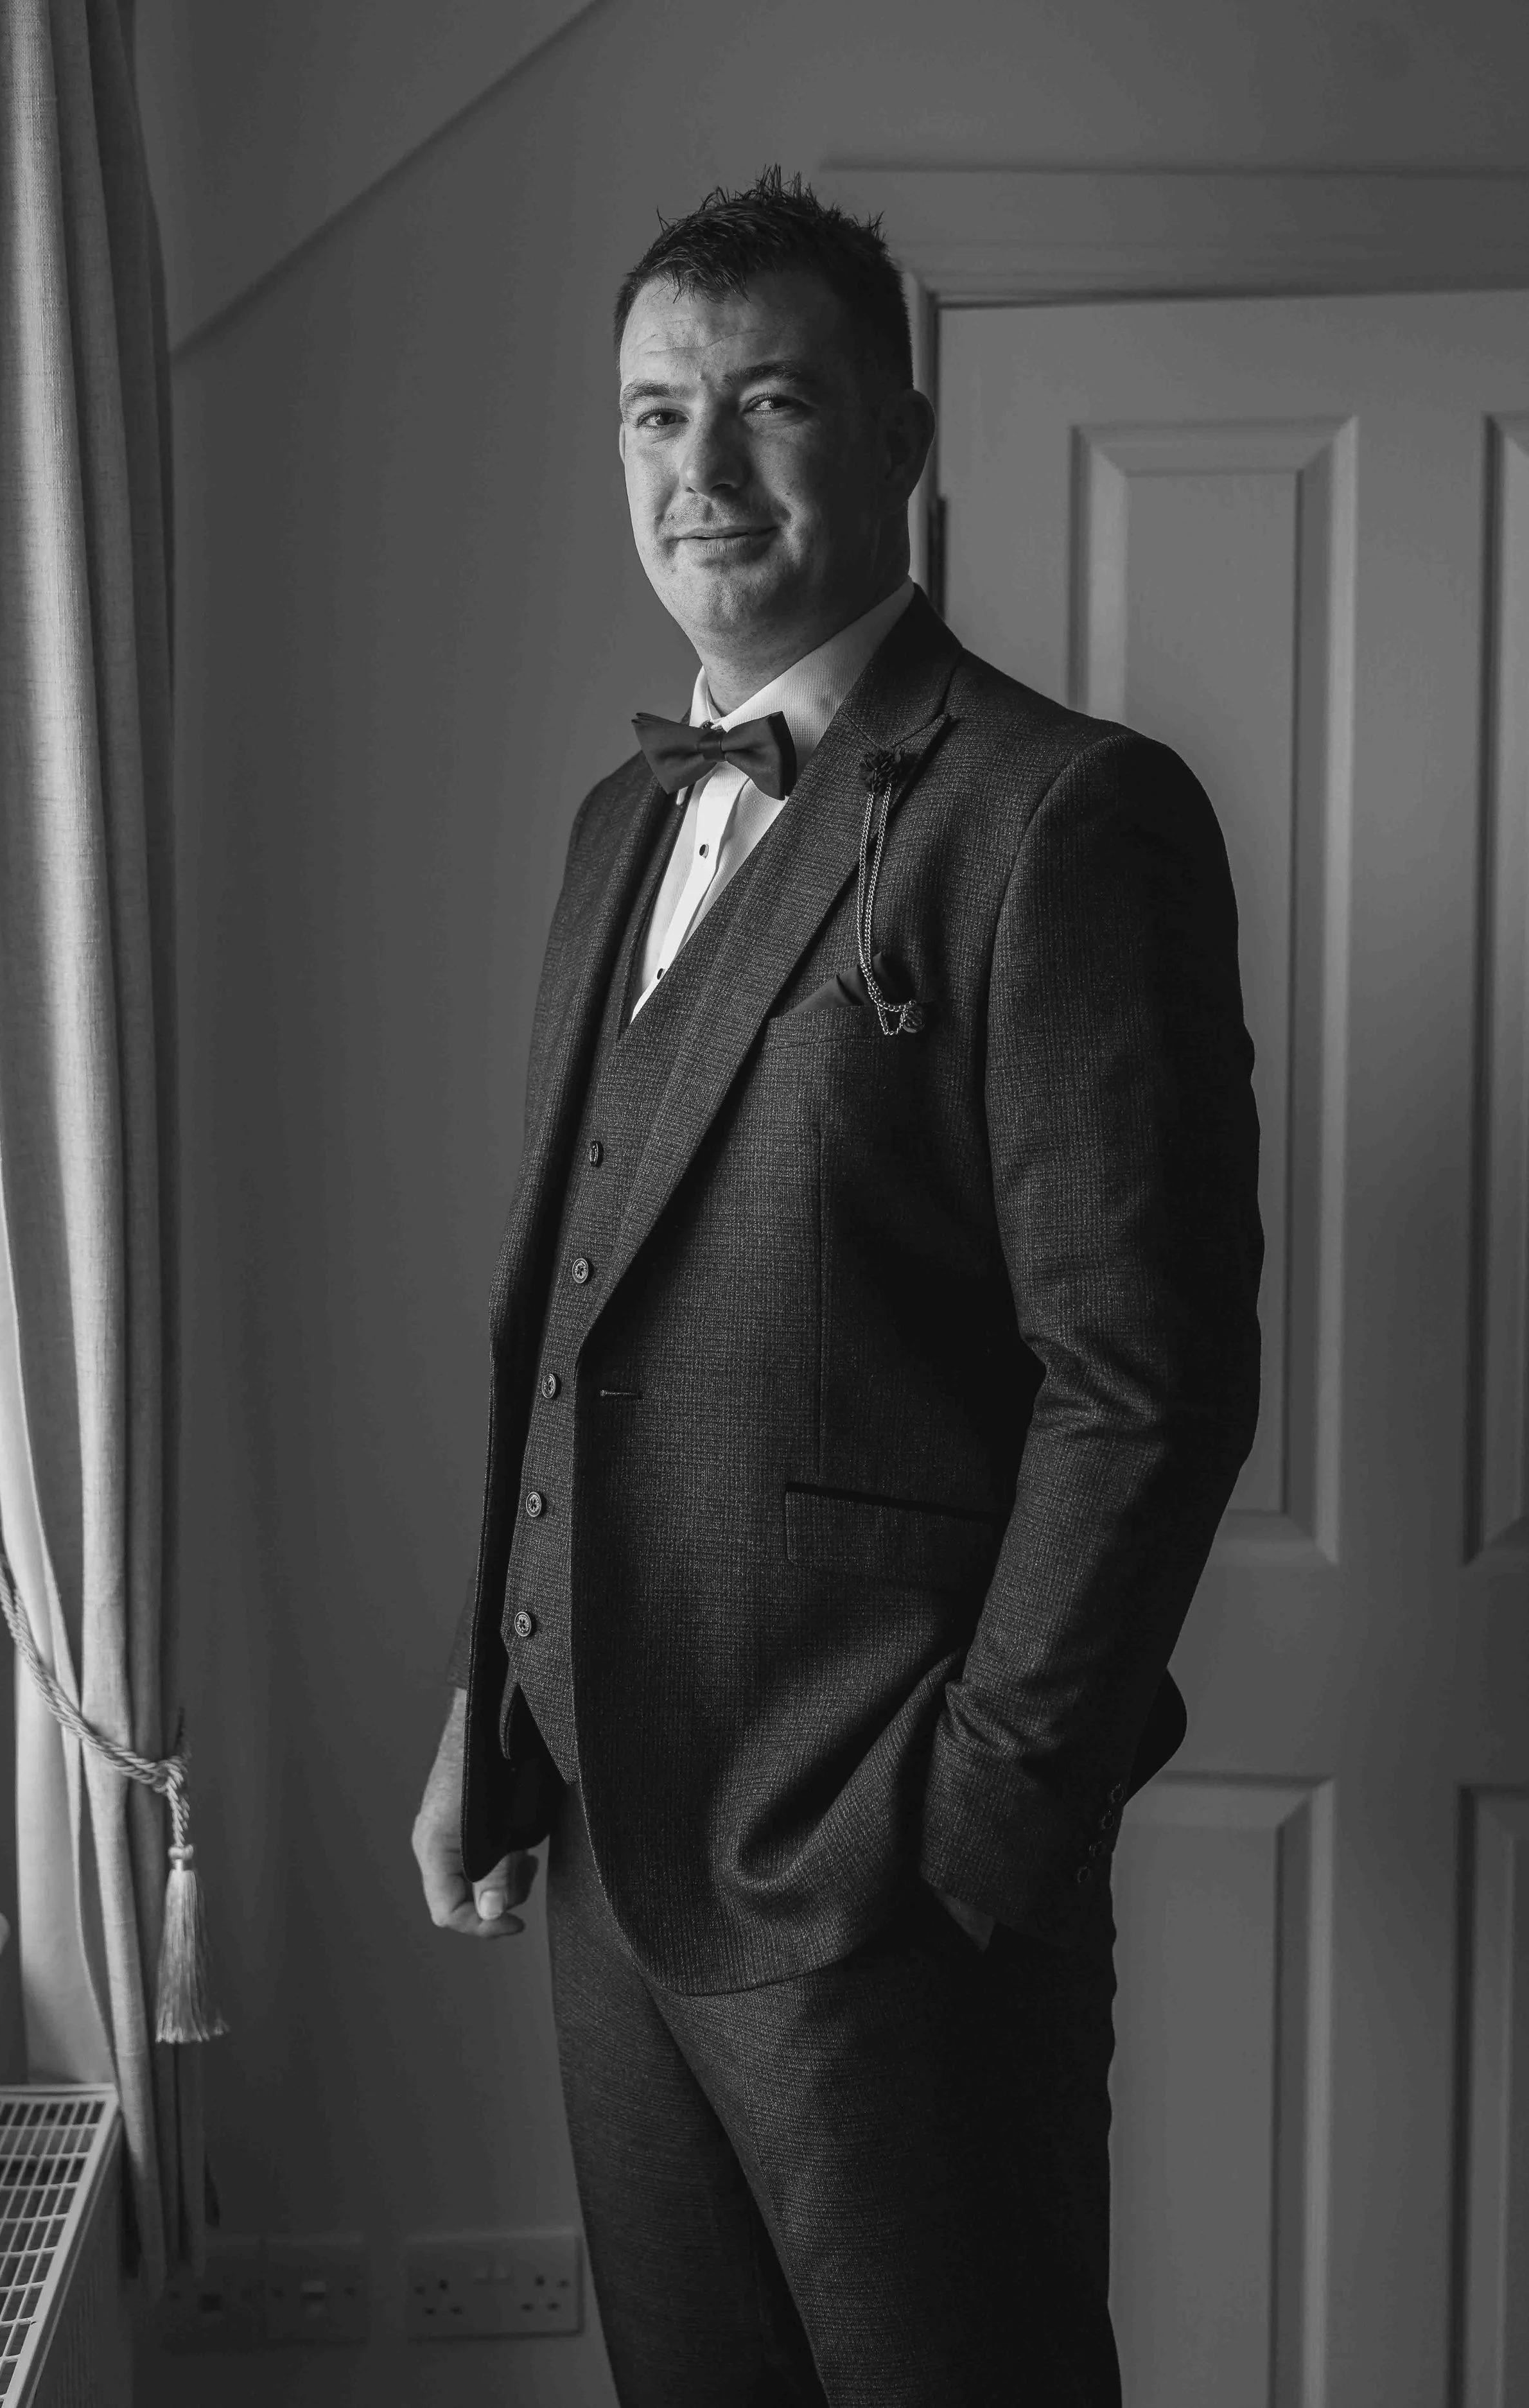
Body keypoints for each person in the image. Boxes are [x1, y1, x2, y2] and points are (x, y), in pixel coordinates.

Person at [412, 166, 1263, 2408]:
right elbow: (579, 1302)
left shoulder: (1062, 819)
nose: (697, 471)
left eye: (766, 402)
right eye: (652, 412)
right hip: (603, 1845)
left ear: (897, 434)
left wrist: (973, 1827)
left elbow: (1141, 1380)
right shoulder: (619, 831)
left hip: (884, 1884)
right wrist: (488, 1706)